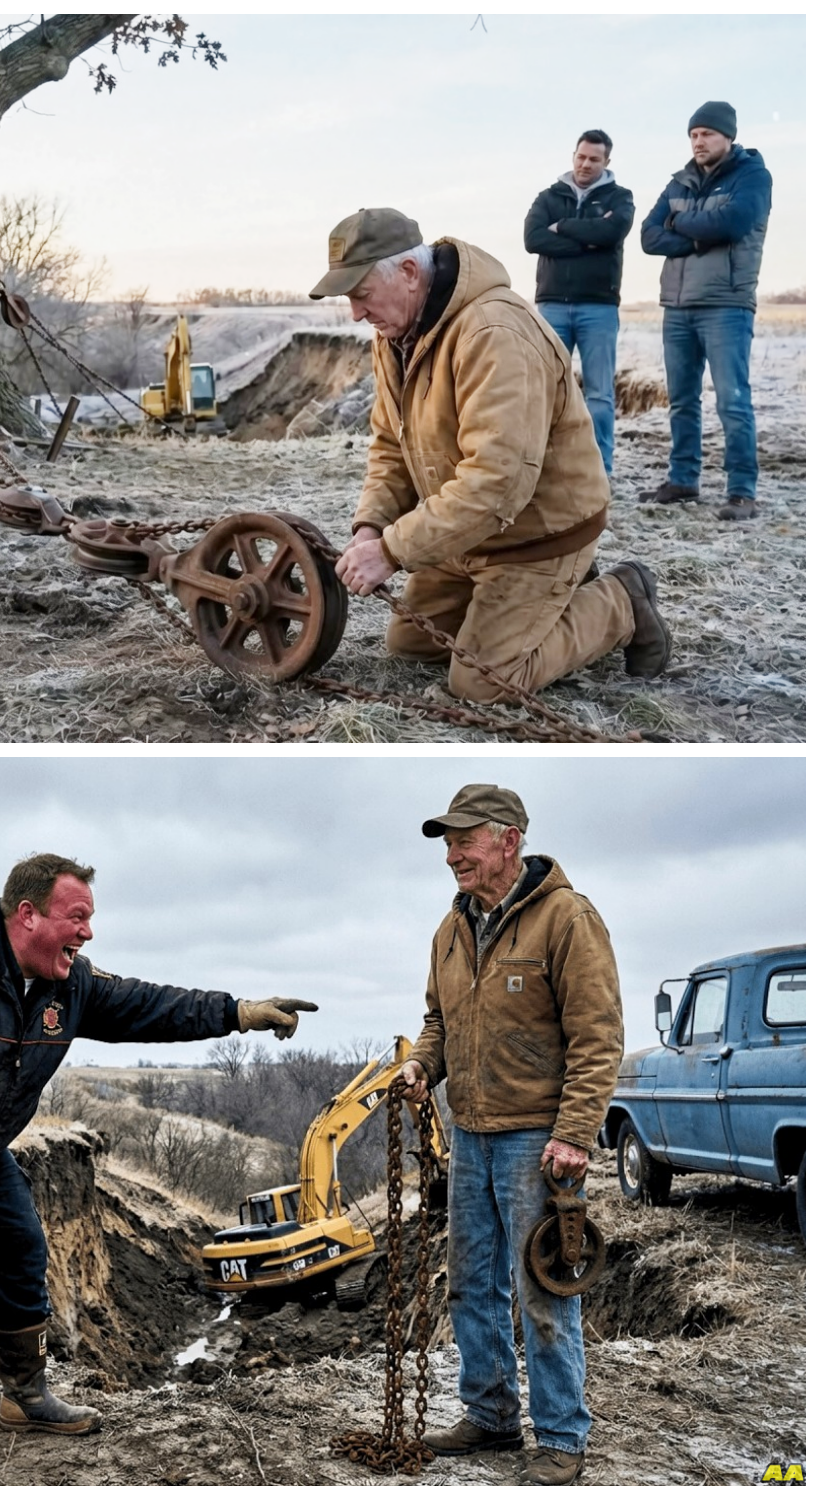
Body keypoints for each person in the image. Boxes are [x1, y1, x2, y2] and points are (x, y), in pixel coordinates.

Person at [0, 852, 317, 1484]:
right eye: (76, 917)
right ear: (28, 914)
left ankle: (25, 1396)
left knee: (20, 1254)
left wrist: (238, 1012)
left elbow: (148, 1005)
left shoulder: (69, 983)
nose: (87, 932)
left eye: (89, 918)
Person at [310, 207, 671, 704]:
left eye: (361, 294)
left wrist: (392, 552)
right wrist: (371, 526)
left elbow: (497, 482)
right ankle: (542, 604)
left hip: (535, 535)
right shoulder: (395, 335)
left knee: (481, 683)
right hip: (467, 536)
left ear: (409, 272)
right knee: (411, 646)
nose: (355, 313)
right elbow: (392, 446)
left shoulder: (495, 334)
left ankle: (621, 601)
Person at [398, 784, 623, 1486]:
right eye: (447, 844)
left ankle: (561, 1436)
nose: (452, 856)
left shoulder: (567, 918)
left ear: (509, 841)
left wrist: (575, 1134)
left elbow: (597, 1037)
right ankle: (491, 1414)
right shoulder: (450, 929)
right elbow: (438, 1021)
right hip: (470, 1135)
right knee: (470, 1284)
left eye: (464, 841)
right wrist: (420, 1065)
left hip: (539, 1141)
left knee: (543, 1288)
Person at [639, 101, 773, 522]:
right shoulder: (679, 181)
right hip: (677, 305)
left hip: (726, 304)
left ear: (728, 136)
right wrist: (699, 237)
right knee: (682, 400)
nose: (698, 141)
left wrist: (679, 223)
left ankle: (742, 491)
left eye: (707, 134)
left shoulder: (752, 176)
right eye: (693, 135)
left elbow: (732, 224)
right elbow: (649, 236)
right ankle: (683, 480)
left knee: (732, 401)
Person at [523, 130, 634, 477]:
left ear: (606, 162)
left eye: (594, 159)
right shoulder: (549, 196)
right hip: (552, 306)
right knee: (547, 390)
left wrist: (562, 227)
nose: (586, 164)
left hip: (598, 308)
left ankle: (599, 472)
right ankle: (547, 471)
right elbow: (532, 238)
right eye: (581, 157)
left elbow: (611, 233)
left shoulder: (620, 197)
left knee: (599, 394)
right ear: (574, 156)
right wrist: (586, 243)